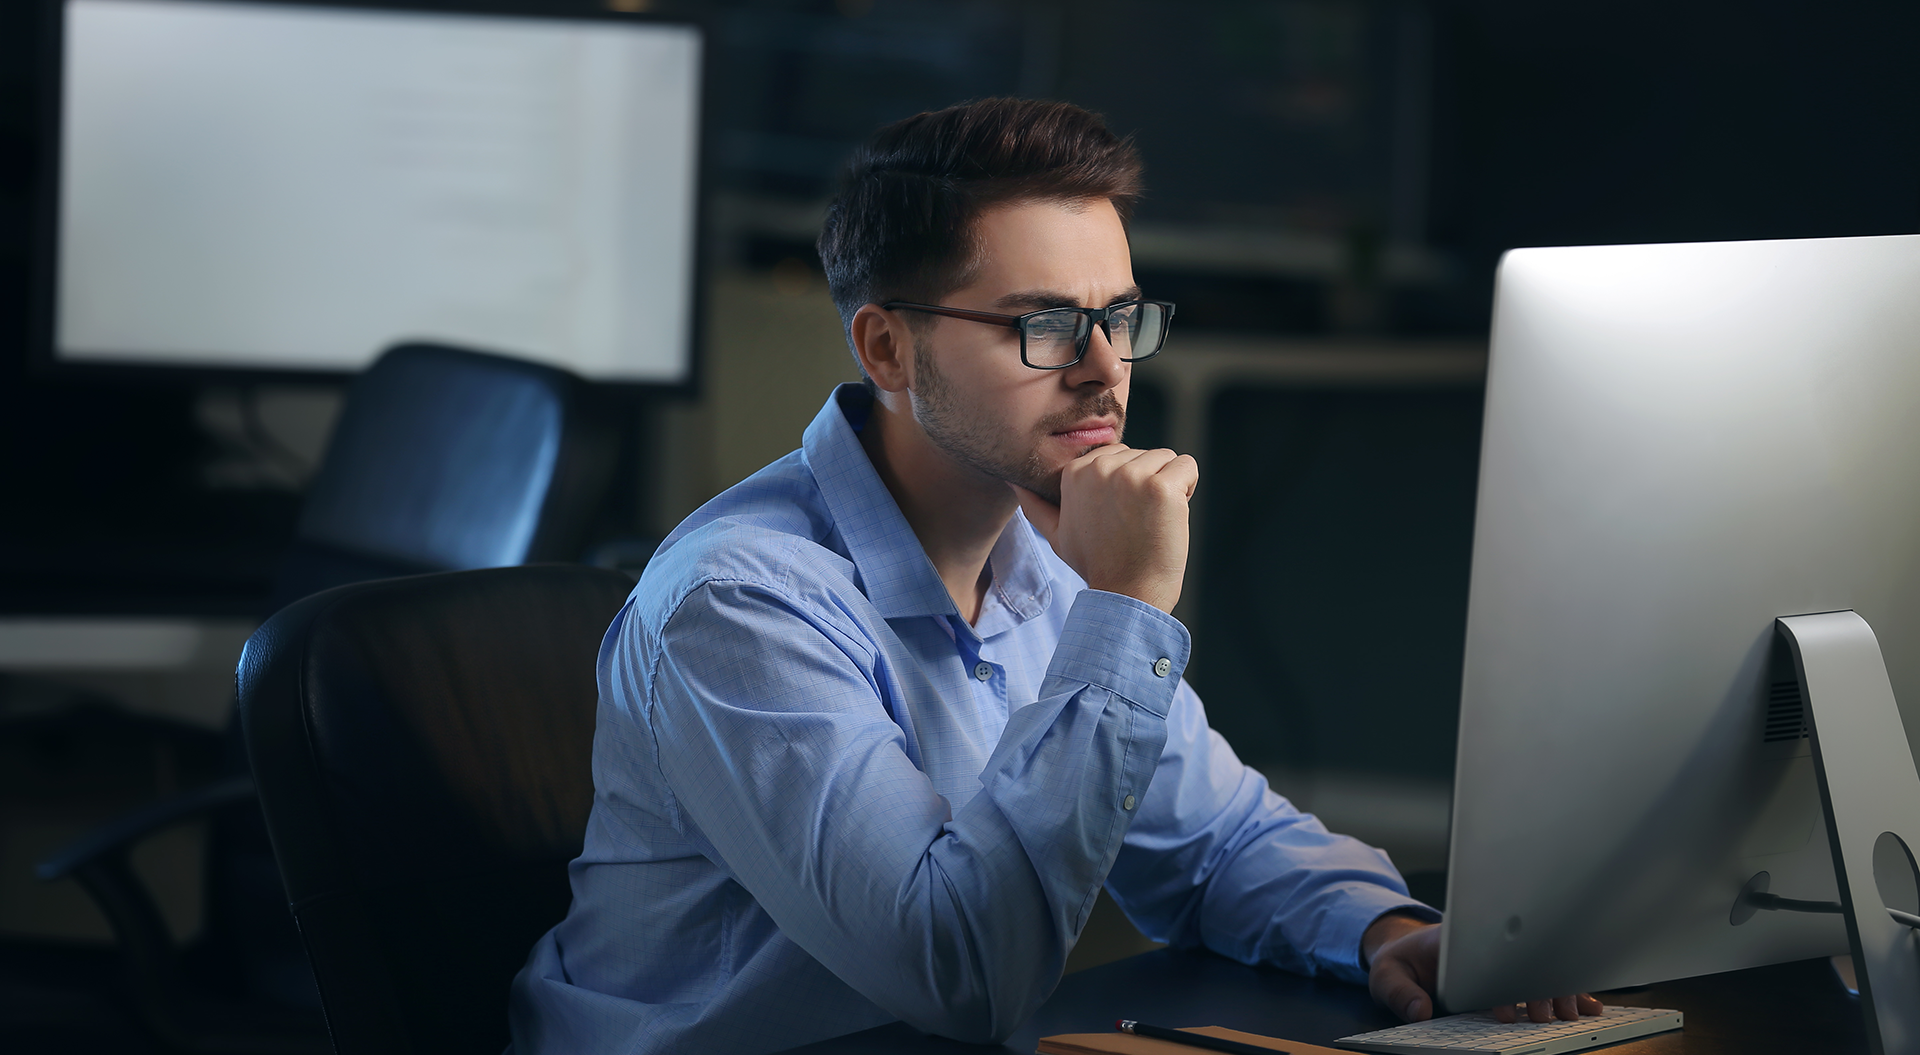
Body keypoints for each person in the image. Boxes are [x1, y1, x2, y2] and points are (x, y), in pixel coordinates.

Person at [509, 97, 1595, 1055]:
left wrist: (1388, 930)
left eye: (1119, 317)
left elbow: (1214, 843)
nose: (1105, 367)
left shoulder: (1042, 557)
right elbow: (958, 972)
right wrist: (1126, 612)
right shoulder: (741, 602)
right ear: (885, 350)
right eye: (1041, 324)